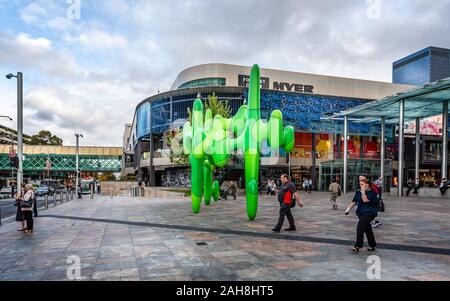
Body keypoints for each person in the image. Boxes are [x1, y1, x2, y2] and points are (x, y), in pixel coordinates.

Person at [345, 178, 379, 253]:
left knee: (360, 227)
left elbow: (365, 200)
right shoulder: (358, 192)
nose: (361, 186)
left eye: (362, 184)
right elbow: (354, 201)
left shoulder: (372, 192)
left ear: (367, 184)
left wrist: (363, 192)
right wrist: (348, 209)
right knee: (368, 230)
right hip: (361, 213)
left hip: (369, 213)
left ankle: (357, 246)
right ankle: (372, 245)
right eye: (360, 184)